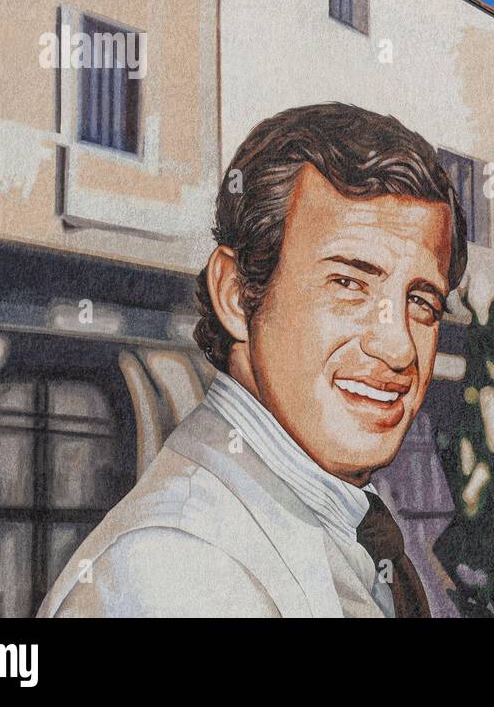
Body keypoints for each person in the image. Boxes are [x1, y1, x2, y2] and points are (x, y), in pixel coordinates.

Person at [39, 103, 467, 617]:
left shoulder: (338, 521)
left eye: (422, 302)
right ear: (238, 296)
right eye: (349, 283)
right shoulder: (177, 567)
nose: (398, 346)